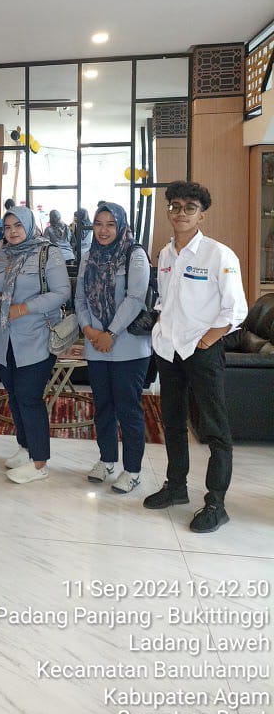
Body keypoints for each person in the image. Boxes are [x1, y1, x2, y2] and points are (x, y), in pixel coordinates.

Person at [143, 181, 247, 533]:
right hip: (169, 350)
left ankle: (216, 503)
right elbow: (166, 301)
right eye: (175, 206)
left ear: (202, 215)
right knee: (172, 423)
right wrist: (160, 327)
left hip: (202, 352)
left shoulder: (219, 255)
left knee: (214, 428)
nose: (181, 213)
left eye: (190, 207)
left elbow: (236, 309)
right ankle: (176, 487)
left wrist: (208, 339)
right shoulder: (165, 254)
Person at [0, 207, 69, 483]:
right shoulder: (0, 256)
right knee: (14, 397)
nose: (13, 231)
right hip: (3, 339)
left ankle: (39, 463)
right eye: (7, 227)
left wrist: (24, 308)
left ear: (29, 226)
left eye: (18, 225)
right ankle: (25, 447)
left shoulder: (48, 253)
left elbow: (62, 292)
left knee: (29, 397)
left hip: (36, 338)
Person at [75, 202, 152, 493]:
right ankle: (107, 460)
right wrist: (89, 330)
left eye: (110, 224)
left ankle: (132, 470)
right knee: (103, 407)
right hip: (96, 344)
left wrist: (110, 333)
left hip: (128, 347)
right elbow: (80, 299)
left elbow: (135, 298)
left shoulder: (135, 254)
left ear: (120, 226)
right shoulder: (88, 256)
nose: (103, 230)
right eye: (98, 223)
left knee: (128, 410)